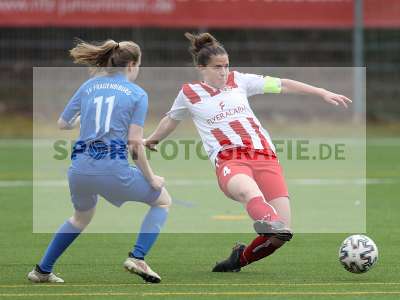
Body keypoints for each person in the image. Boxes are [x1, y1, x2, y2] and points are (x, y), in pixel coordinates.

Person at [144, 32, 351, 272]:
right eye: (217, 67)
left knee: (282, 234)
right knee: (248, 192)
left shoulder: (239, 80)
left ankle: (239, 259)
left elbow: (282, 84)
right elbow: (171, 119)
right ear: (202, 68)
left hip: (265, 157)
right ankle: (267, 220)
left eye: (226, 66)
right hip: (230, 159)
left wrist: (322, 92)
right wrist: (151, 140)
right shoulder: (189, 93)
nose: (223, 72)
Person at [27, 39, 171, 283]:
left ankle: (41, 271)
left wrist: (84, 122)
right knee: (162, 201)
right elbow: (134, 144)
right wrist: (152, 178)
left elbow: (63, 123)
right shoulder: (137, 93)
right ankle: (138, 257)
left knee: (80, 217)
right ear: (132, 65)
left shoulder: (90, 85)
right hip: (112, 169)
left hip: (79, 169)